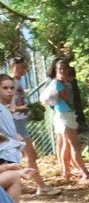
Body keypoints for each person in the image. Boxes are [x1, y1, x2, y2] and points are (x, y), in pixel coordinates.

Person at [46, 60, 89, 182]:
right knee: (74, 145)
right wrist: (66, 85)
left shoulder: (65, 82)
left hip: (67, 114)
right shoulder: (59, 83)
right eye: (59, 69)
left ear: (68, 69)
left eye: (64, 68)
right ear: (56, 71)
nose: (62, 71)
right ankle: (84, 172)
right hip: (64, 115)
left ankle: (66, 171)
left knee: (67, 144)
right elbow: (67, 98)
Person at [6, 61, 49, 194]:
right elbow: (8, 107)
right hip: (14, 123)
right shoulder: (11, 84)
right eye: (17, 68)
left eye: (23, 68)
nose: (20, 70)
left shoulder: (19, 83)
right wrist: (23, 108)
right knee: (30, 154)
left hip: (20, 122)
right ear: (11, 69)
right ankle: (41, 186)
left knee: (24, 155)